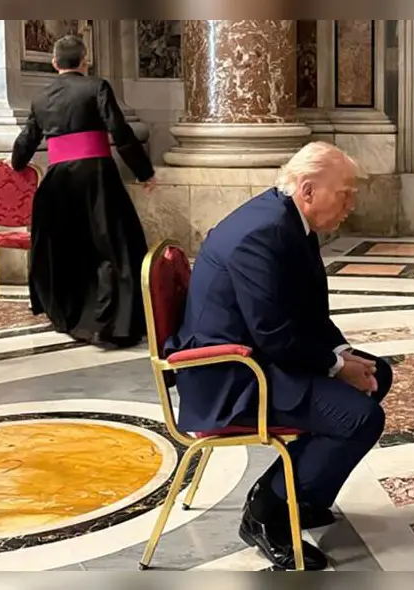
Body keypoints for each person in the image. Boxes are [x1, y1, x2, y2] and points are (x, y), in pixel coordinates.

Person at [164, 142, 394, 571]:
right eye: (345, 193)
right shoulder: (263, 233)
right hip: (230, 375)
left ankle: (301, 494)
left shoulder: (288, 220)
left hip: (259, 355)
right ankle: (266, 511)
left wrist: (342, 353)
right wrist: (336, 367)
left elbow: (305, 311)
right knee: (360, 419)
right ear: (307, 189)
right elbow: (273, 332)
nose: (351, 204)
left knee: (378, 374)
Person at [9, 35, 156, 348]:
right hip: (97, 176)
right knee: (116, 245)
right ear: (85, 60)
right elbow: (120, 131)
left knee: (67, 248)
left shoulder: (41, 97)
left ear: (54, 63)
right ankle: (115, 321)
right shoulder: (96, 87)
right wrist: (144, 171)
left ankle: (71, 314)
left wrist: (16, 164)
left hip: (58, 181)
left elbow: (27, 139)